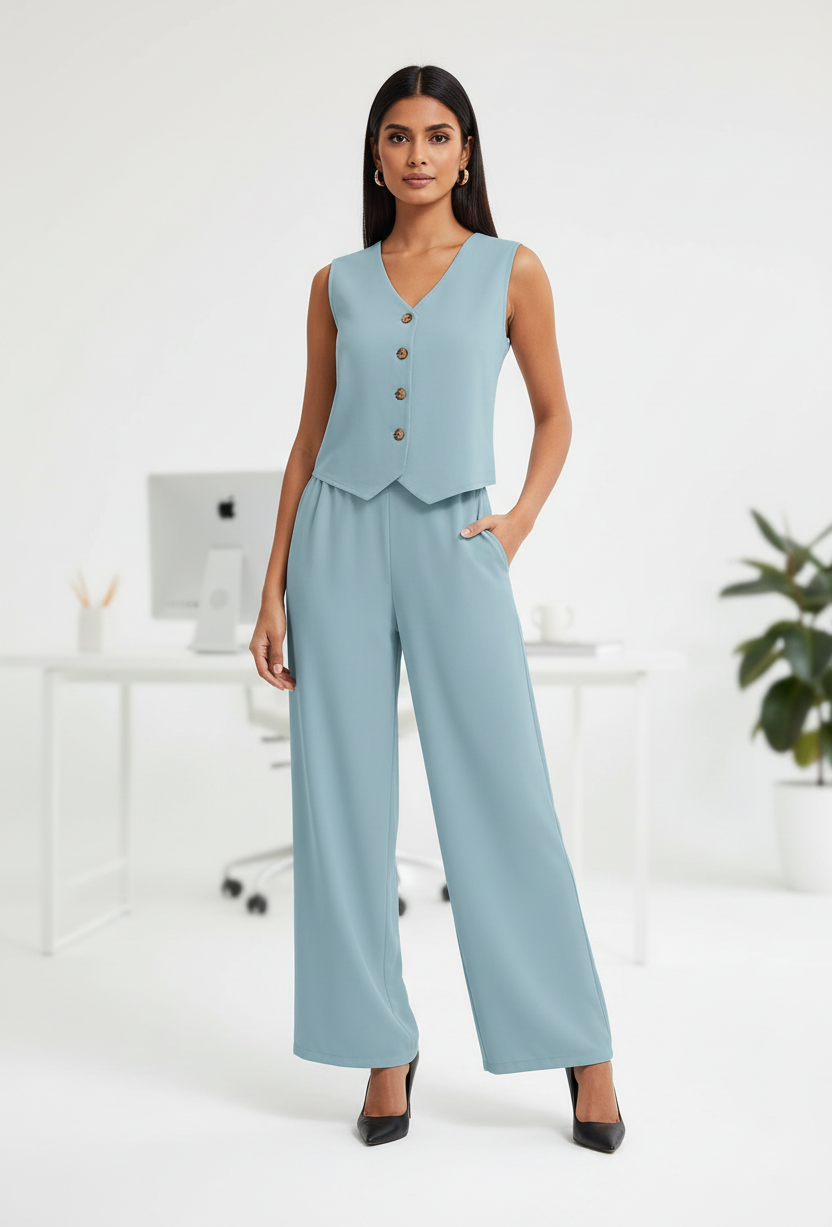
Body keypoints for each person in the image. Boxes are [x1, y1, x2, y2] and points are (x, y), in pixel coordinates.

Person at [249, 64, 625, 1153]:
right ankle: (382, 1048)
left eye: (439, 134)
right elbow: (308, 439)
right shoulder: (336, 284)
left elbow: (556, 417)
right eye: (399, 135)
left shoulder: (514, 270)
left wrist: (511, 528)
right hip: (338, 546)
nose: (418, 153)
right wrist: (273, 584)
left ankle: (582, 1050)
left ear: (466, 154)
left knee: (505, 801)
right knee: (342, 811)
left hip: (457, 540)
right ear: (375, 155)